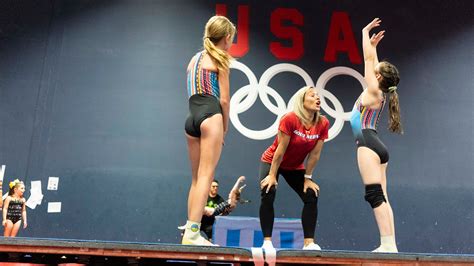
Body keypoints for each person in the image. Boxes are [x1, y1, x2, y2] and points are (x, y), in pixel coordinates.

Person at [349, 18, 403, 253]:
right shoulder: (378, 91)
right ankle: (390, 244)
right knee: (382, 195)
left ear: (379, 77)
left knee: (374, 195)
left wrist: (363, 33)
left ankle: (387, 244)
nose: (373, 70)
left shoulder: (373, 90)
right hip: (377, 145)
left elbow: (369, 61)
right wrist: (374, 46)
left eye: (376, 72)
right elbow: (374, 62)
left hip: (367, 145)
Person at [182, 15, 236, 246]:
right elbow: (224, 100)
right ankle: (193, 233)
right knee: (207, 176)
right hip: (210, 114)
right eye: (231, 39)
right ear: (226, 37)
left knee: (196, 179)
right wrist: (224, 129)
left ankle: (189, 230)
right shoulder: (220, 58)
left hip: (191, 118)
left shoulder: (194, 60)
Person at [259, 86, 330, 250]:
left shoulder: (322, 123)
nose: (317, 98)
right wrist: (271, 175)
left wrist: (308, 179)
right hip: (273, 161)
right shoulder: (290, 119)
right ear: (302, 101)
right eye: (312, 95)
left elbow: (315, 154)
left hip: (294, 166)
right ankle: (267, 242)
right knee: (268, 191)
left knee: (311, 195)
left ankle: (309, 243)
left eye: (318, 96)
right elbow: (280, 150)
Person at [201, 176, 246, 241]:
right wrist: (239, 185)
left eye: (217, 187)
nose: (229, 194)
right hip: (213, 212)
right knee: (203, 209)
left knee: (204, 210)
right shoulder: (232, 203)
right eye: (213, 186)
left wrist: (238, 181)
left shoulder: (231, 202)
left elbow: (233, 190)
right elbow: (234, 191)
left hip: (215, 212)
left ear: (234, 196)